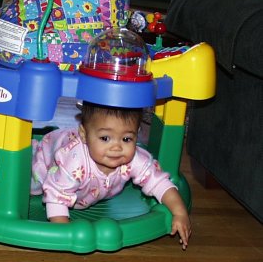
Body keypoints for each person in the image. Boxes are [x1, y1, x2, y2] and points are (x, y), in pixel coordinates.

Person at [31, 101, 191, 250]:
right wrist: (64, 234)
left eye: (126, 139)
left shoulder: (135, 159)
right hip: (47, 159)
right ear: (84, 135)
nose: (116, 147)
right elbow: (56, 195)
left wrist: (179, 212)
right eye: (105, 138)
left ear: (137, 135)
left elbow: (159, 182)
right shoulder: (73, 162)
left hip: (87, 189)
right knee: (32, 184)